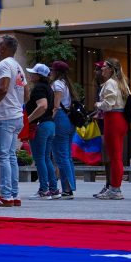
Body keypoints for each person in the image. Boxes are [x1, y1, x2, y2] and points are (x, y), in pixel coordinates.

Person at [0, 35, 27, 207]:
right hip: (16, 115)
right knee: (10, 156)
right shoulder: (18, 67)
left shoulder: (3, 65)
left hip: (4, 116)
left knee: (2, 156)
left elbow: (2, 88)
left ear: (5, 48)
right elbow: (26, 93)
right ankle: (13, 195)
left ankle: (6, 196)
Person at [93, 58, 130, 200]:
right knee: (117, 156)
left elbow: (108, 104)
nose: (102, 69)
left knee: (114, 156)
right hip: (121, 119)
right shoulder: (123, 83)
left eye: (105, 67)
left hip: (112, 119)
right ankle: (115, 187)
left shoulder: (109, 83)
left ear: (111, 70)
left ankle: (115, 189)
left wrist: (98, 104)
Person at [46, 61, 78, 198]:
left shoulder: (57, 85)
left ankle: (67, 189)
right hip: (69, 121)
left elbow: (56, 105)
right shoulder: (66, 84)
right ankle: (69, 186)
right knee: (67, 156)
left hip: (60, 120)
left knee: (61, 156)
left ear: (56, 72)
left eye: (52, 70)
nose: (50, 72)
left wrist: (48, 118)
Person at [24, 63, 56, 198]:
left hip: (40, 126)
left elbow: (42, 106)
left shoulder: (39, 88)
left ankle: (43, 189)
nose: (30, 75)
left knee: (39, 158)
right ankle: (53, 189)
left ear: (38, 76)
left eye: (33, 73)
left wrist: (28, 120)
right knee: (46, 158)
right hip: (50, 125)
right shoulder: (49, 88)